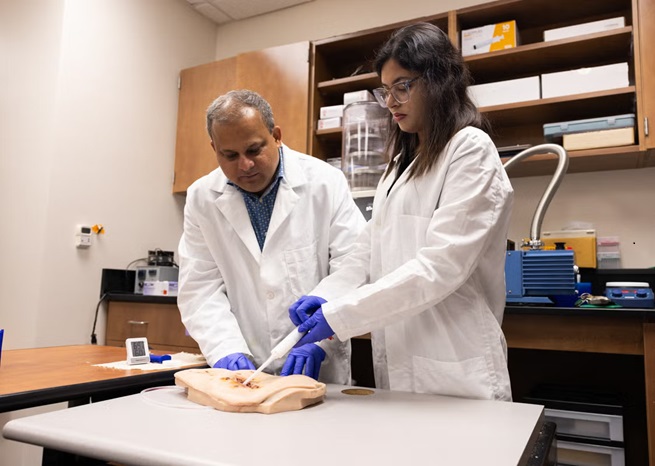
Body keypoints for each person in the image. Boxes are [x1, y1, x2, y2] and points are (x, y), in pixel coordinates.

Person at [288, 22, 515, 400]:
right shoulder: (400, 166)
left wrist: (340, 317)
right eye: (385, 90)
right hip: (400, 364)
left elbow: (440, 267)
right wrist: (328, 296)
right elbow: (368, 249)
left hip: (455, 365)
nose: (390, 102)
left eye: (402, 86)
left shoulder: (470, 149)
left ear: (440, 80)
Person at [178, 90, 366, 383]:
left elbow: (355, 263)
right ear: (214, 148)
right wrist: (225, 348)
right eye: (229, 155)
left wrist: (320, 339)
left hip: (319, 367)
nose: (245, 165)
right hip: (246, 369)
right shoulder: (202, 197)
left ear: (276, 136)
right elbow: (199, 287)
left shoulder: (324, 182)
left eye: (254, 150)